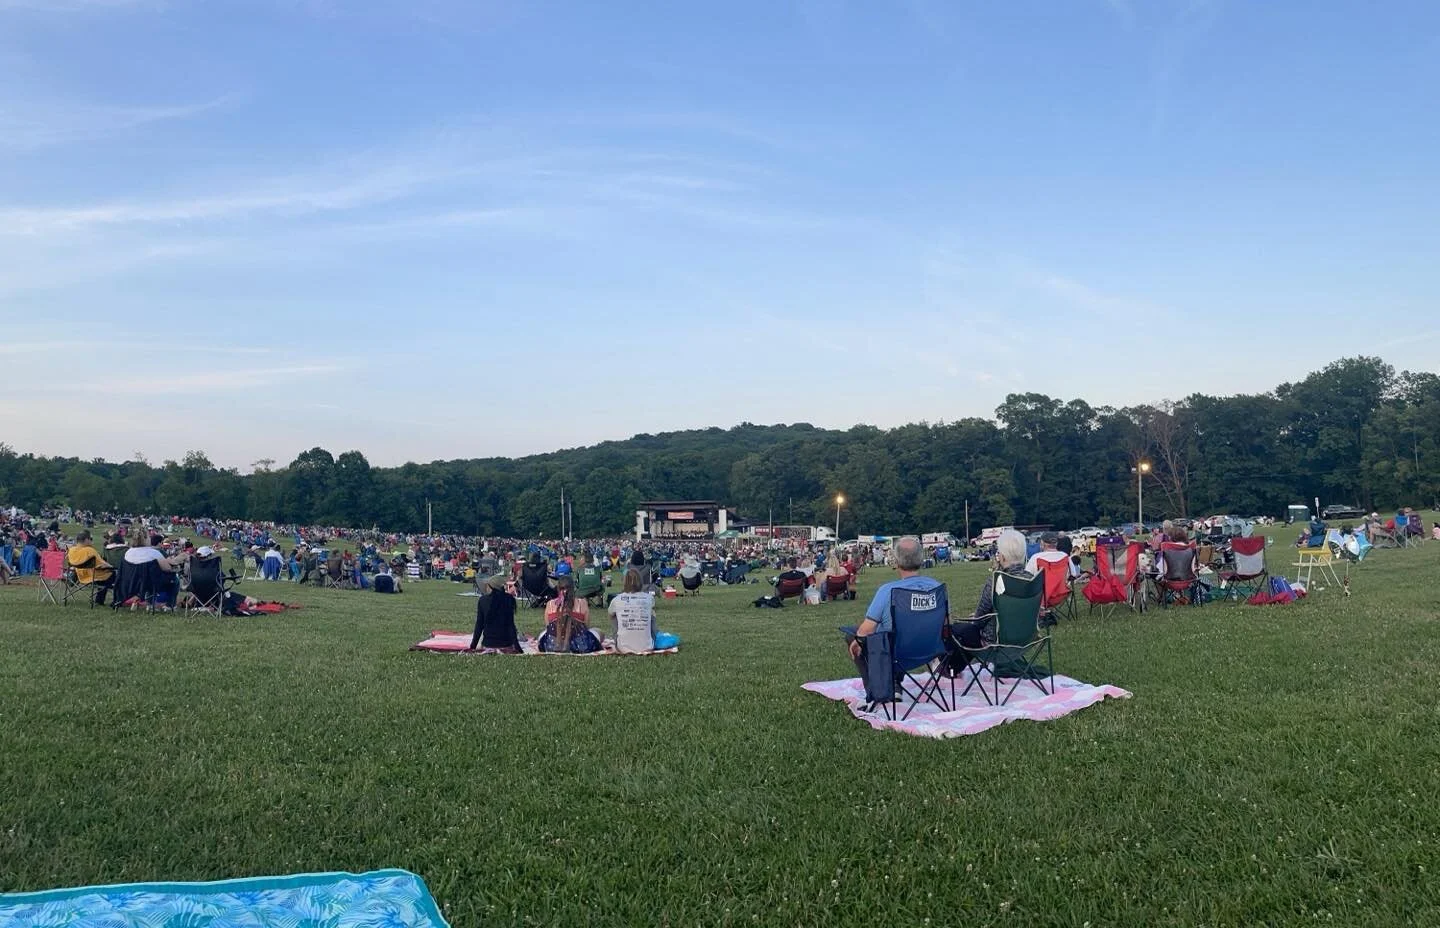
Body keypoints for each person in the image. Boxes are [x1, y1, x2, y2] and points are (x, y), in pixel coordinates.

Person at [843, 536, 943, 696]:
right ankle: (894, 684)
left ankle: (880, 689)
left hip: (896, 653)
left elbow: (865, 631)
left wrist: (856, 640)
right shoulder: (937, 588)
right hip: (929, 650)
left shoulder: (888, 591)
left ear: (896, 562)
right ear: (922, 558)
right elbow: (943, 624)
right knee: (890, 634)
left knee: (853, 635)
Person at [943, 529, 1032, 671]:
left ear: (1002, 556)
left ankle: (950, 668)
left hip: (995, 641)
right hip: (1026, 639)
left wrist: (977, 618)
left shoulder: (997, 580)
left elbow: (979, 619)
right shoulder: (1033, 580)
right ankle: (951, 669)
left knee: (957, 630)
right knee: (968, 631)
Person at [539, 575, 602, 653]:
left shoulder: (550, 604)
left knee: (542, 634)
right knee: (599, 632)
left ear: (558, 588)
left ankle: (561, 643)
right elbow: (586, 626)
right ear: (573, 588)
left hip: (552, 643)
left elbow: (548, 626)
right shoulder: (582, 603)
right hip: (579, 644)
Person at [608, 567, 658, 653]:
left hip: (622, 647)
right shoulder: (649, 598)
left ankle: (621, 637)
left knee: (613, 614)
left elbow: (610, 615)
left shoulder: (617, 599)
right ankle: (647, 637)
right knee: (651, 613)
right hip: (647, 646)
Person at [468, 573, 519, 652]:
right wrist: (518, 647)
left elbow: (479, 625)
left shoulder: (483, 600)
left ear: (490, 587)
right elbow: (511, 625)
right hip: (506, 644)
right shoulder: (509, 599)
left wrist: (472, 647)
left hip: (488, 644)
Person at [67, 530, 116, 605]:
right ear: (86, 540)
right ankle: (106, 600)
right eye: (90, 539)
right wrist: (111, 567)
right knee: (112, 574)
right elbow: (101, 564)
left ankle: (99, 600)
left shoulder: (71, 550)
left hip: (81, 576)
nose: (91, 541)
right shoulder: (89, 551)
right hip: (95, 576)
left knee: (106, 577)